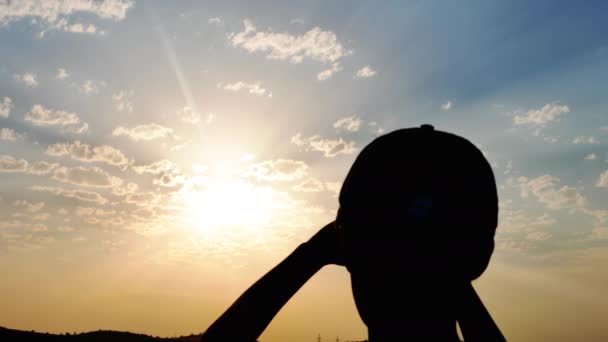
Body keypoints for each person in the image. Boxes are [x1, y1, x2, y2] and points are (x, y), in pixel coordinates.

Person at [201, 125, 506, 341]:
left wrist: (309, 255)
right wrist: (449, 274)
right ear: (478, 255)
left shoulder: (351, 249)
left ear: (348, 251)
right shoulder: (454, 268)